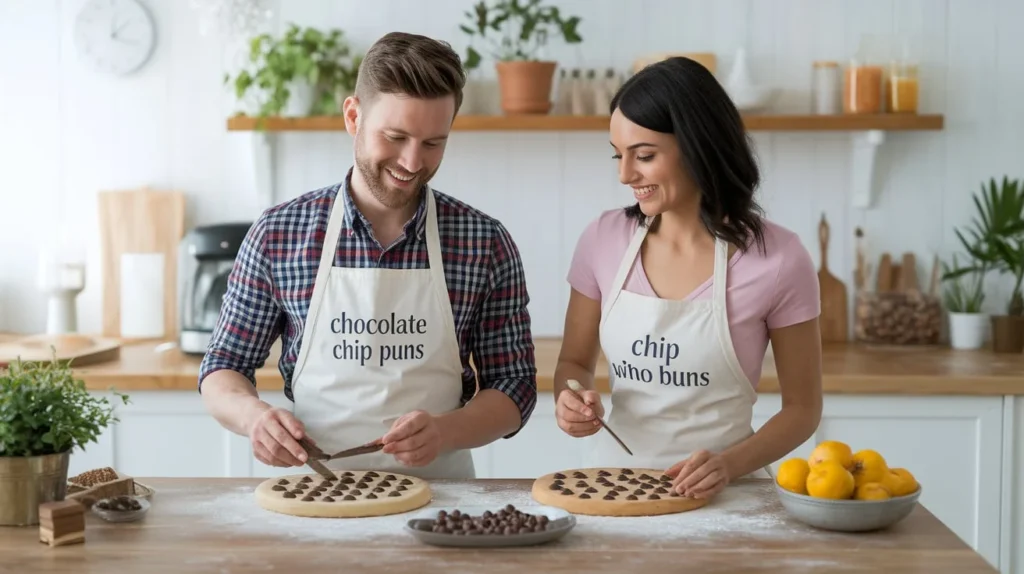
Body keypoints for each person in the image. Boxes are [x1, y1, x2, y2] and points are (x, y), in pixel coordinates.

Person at [198, 31, 537, 479]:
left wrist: (447, 431)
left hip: (443, 504)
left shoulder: (484, 241)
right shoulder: (279, 234)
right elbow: (224, 366)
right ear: (353, 116)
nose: (413, 162)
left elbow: (514, 387)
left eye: (434, 143)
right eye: (396, 136)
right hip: (313, 497)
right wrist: (253, 417)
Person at [553, 57, 823, 500]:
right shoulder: (603, 239)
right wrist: (572, 400)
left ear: (698, 144)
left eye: (644, 156)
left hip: (728, 497)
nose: (625, 175)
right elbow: (574, 363)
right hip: (612, 489)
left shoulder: (779, 258)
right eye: (618, 156)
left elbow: (804, 409)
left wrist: (728, 465)